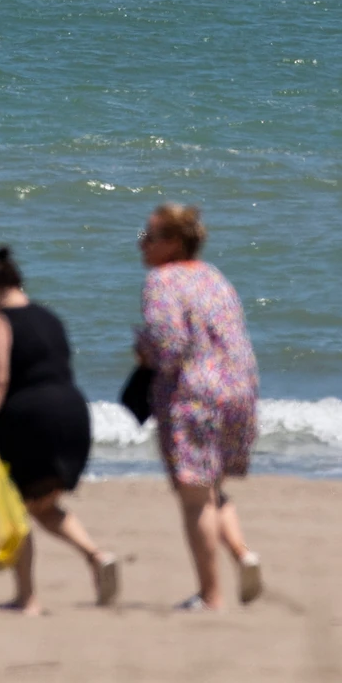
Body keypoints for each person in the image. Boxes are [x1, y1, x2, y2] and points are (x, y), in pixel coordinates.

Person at [0, 247, 118, 615]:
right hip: (73, 415)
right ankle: (97, 557)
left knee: (15, 508)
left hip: (30, 420)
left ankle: (27, 599)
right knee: (41, 504)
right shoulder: (50, 318)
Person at [134, 204, 261, 611]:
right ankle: (243, 554)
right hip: (239, 390)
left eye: (150, 236)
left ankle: (211, 596)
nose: (142, 242)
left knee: (193, 497)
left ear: (173, 242)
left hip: (195, 394)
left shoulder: (161, 280)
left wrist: (144, 354)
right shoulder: (214, 277)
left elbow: (170, 347)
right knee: (210, 486)